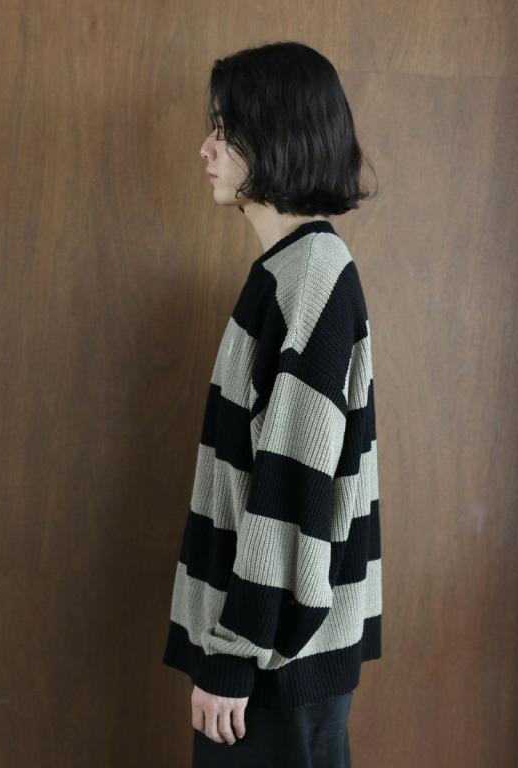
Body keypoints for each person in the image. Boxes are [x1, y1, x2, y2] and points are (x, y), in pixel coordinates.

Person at [163, 41, 382, 768]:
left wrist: (233, 656)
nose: (206, 149)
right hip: (269, 652)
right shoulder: (290, 272)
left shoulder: (313, 276)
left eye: (225, 131)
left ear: (279, 135)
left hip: (272, 662)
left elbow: (290, 487)